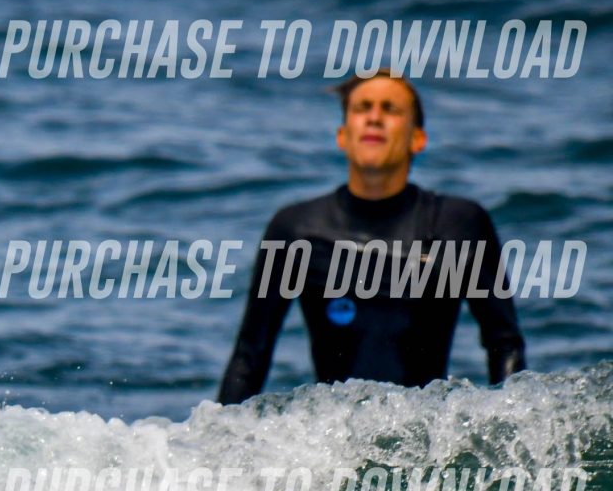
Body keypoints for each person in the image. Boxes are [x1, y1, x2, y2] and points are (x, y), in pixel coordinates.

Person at [218, 71, 524, 403]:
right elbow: (250, 356)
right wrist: (220, 433)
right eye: (362, 108)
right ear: (342, 135)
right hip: (332, 428)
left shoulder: (458, 224)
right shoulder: (296, 230)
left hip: (425, 426)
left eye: (390, 109)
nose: (374, 118)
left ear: (418, 139)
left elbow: (505, 344)